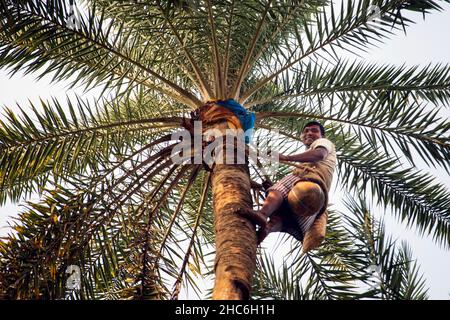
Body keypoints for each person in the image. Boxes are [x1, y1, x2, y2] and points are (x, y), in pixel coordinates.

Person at [242, 121, 337, 250]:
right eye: (306, 131)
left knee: (278, 190)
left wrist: (286, 157)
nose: (309, 133)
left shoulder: (324, 143)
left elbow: (319, 154)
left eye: (314, 130)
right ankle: (268, 229)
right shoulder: (309, 155)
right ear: (301, 136)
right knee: (285, 221)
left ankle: (263, 214)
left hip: (310, 185)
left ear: (322, 136)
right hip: (313, 210)